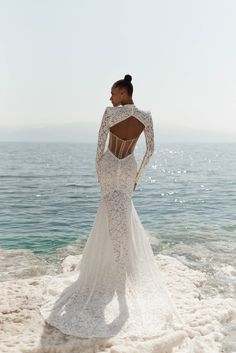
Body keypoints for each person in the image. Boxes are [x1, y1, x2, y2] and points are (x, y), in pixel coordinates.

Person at [40, 74, 184, 338]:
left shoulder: (109, 113)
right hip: (129, 166)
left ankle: (107, 268)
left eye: (112, 92)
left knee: (107, 213)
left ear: (122, 91)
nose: (110, 97)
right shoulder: (146, 116)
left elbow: (98, 148)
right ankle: (123, 269)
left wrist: (99, 174)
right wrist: (138, 176)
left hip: (109, 166)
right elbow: (150, 149)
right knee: (124, 213)